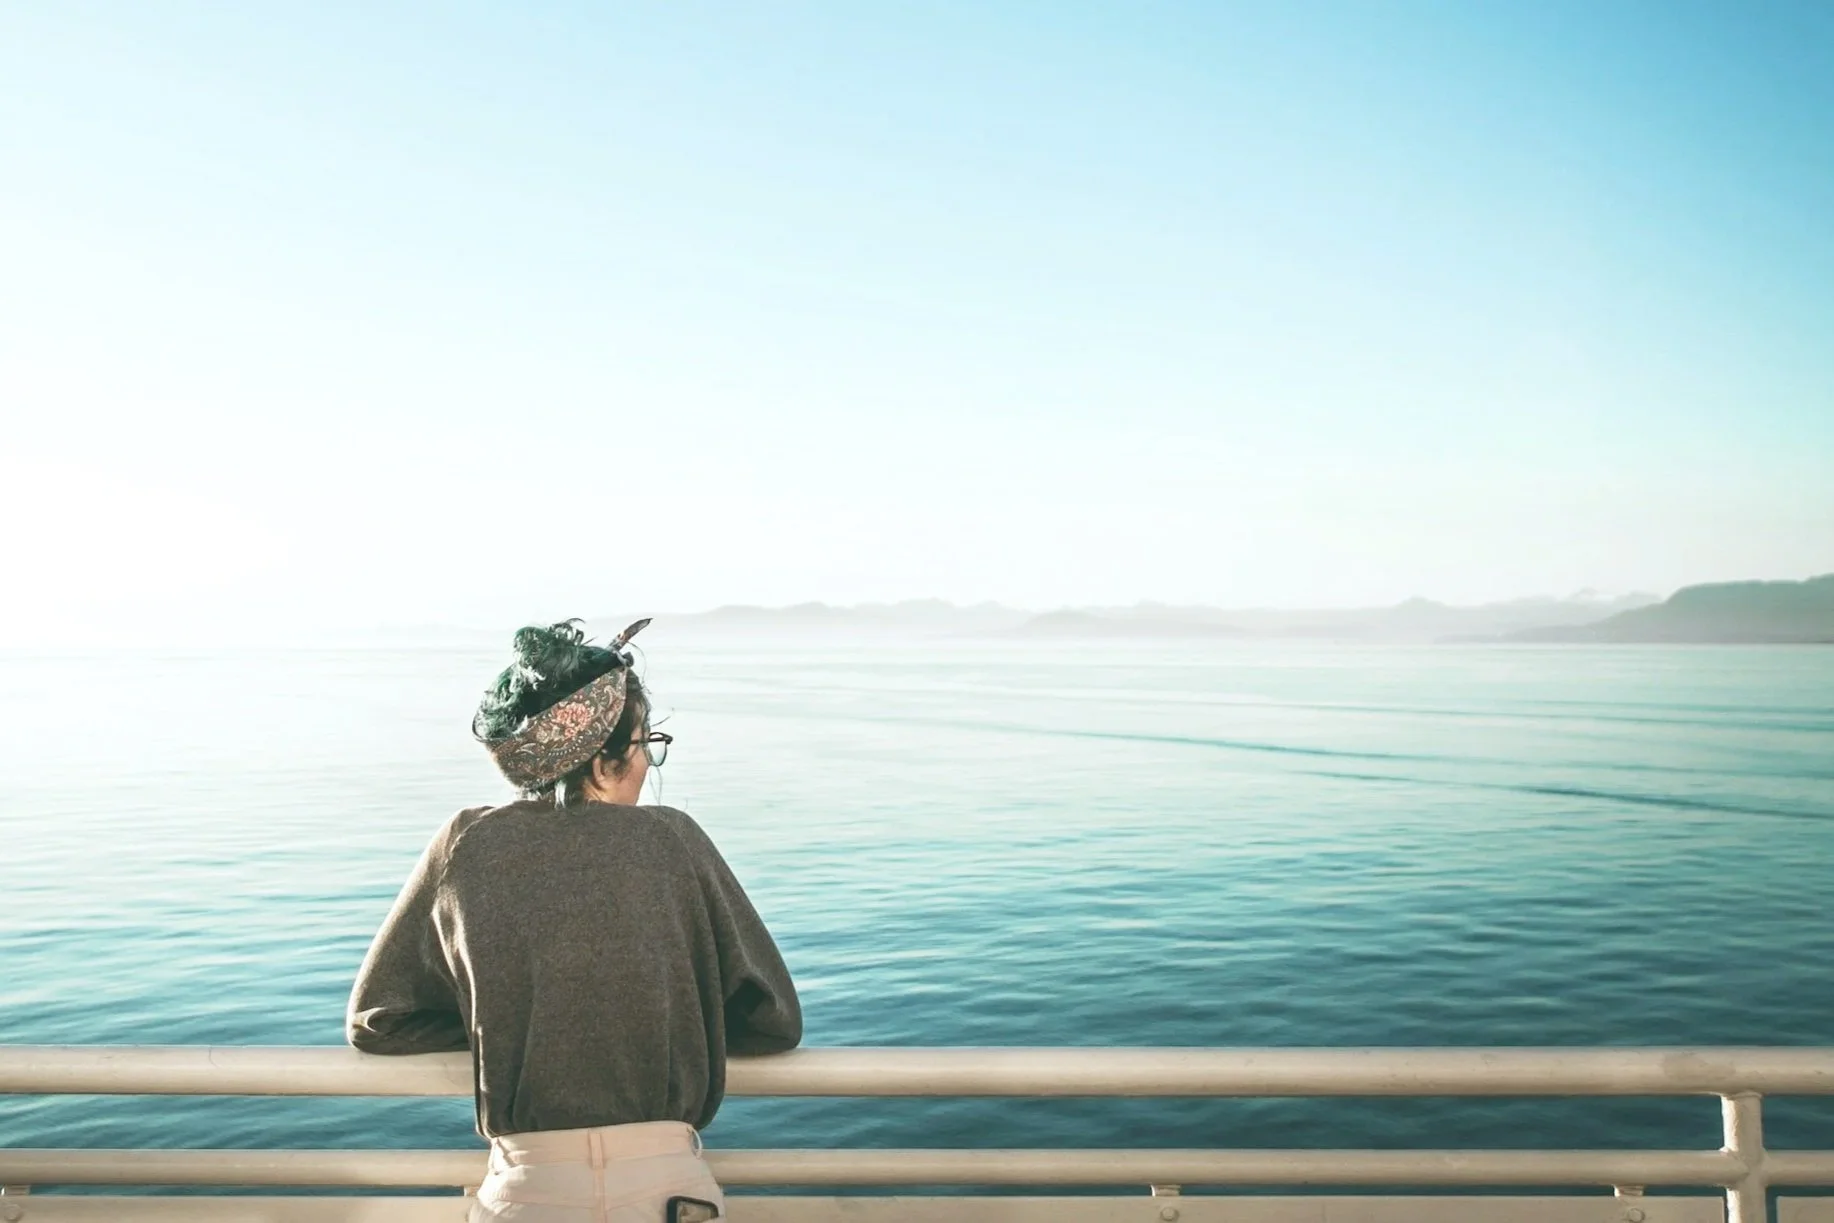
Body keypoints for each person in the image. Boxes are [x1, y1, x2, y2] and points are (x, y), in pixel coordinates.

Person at [346, 618, 801, 1223]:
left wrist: (516, 1022)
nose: (647, 763)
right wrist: (665, 1021)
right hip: (667, 1190)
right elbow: (774, 1020)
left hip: (528, 1190)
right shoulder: (674, 840)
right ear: (605, 758)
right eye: (645, 743)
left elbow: (378, 1022)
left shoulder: (466, 841)